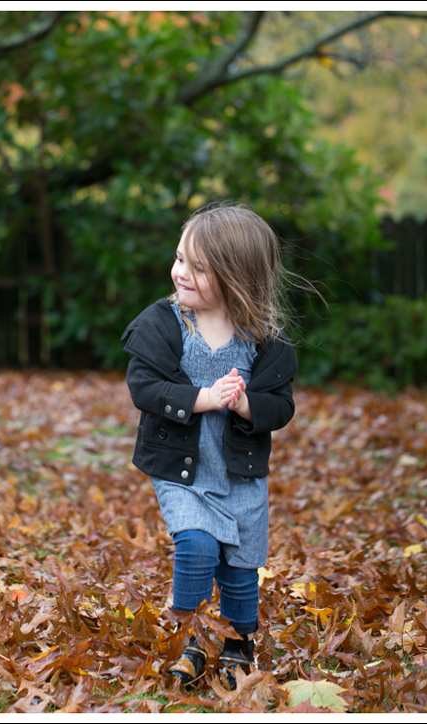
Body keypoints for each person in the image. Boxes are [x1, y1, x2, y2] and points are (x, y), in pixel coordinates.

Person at [121, 202, 298, 687]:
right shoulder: (164, 324)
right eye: (180, 259)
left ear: (235, 277)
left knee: (240, 565)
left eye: (198, 267)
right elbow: (144, 387)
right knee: (197, 546)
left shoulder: (263, 341)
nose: (180, 273)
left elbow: (280, 406)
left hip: (239, 471)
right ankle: (190, 636)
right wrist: (201, 398)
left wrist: (244, 406)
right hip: (183, 467)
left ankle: (240, 640)